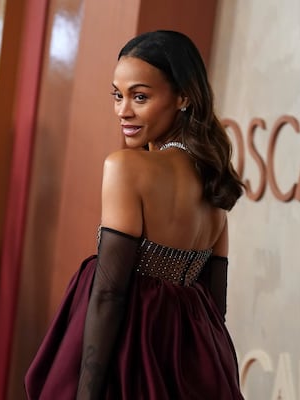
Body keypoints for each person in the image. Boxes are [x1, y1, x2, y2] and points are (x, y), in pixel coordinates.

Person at [24, 30, 245, 399]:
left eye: (140, 97)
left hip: (127, 365)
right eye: (118, 95)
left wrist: (87, 393)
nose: (123, 110)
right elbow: (215, 306)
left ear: (183, 97)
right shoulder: (214, 178)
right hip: (194, 368)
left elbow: (109, 293)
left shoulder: (126, 167)